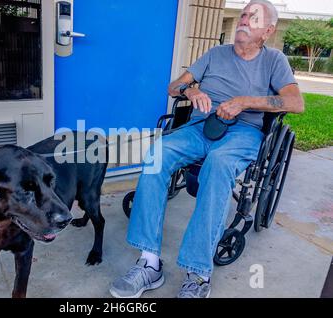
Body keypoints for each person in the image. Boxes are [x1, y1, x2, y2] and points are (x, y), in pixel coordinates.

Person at [110, 0, 304, 298]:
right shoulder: (215, 54)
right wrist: (192, 90)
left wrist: (245, 101)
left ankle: (198, 274)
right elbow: (174, 87)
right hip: (201, 127)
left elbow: (295, 103)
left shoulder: (274, 60)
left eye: (253, 17)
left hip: (243, 132)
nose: (243, 19)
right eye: (243, 14)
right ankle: (149, 265)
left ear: (267, 31)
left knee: (218, 163)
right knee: (156, 155)